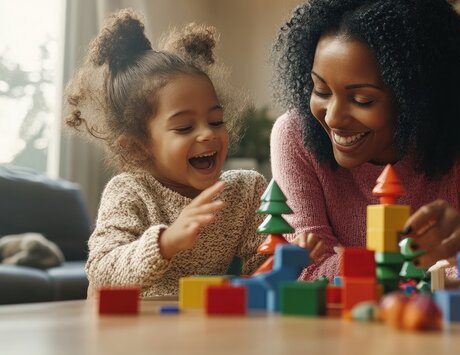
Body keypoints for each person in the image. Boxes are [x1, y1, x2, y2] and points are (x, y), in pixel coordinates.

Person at [270, 0, 460, 282]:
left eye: (362, 99)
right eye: (321, 91)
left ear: (415, 99)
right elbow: (305, 270)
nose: (333, 117)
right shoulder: (296, 136)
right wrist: (416, 263)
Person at [64, 9, 322, 297]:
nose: (208, 133)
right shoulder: (130, 192)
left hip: (202, 328)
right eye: (185, 127)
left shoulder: (245, 191)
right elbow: (102, 271)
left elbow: (259, 273)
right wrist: (165, 243)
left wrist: (289, 263)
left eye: (215, 121)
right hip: (134, 332)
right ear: (138, 146)